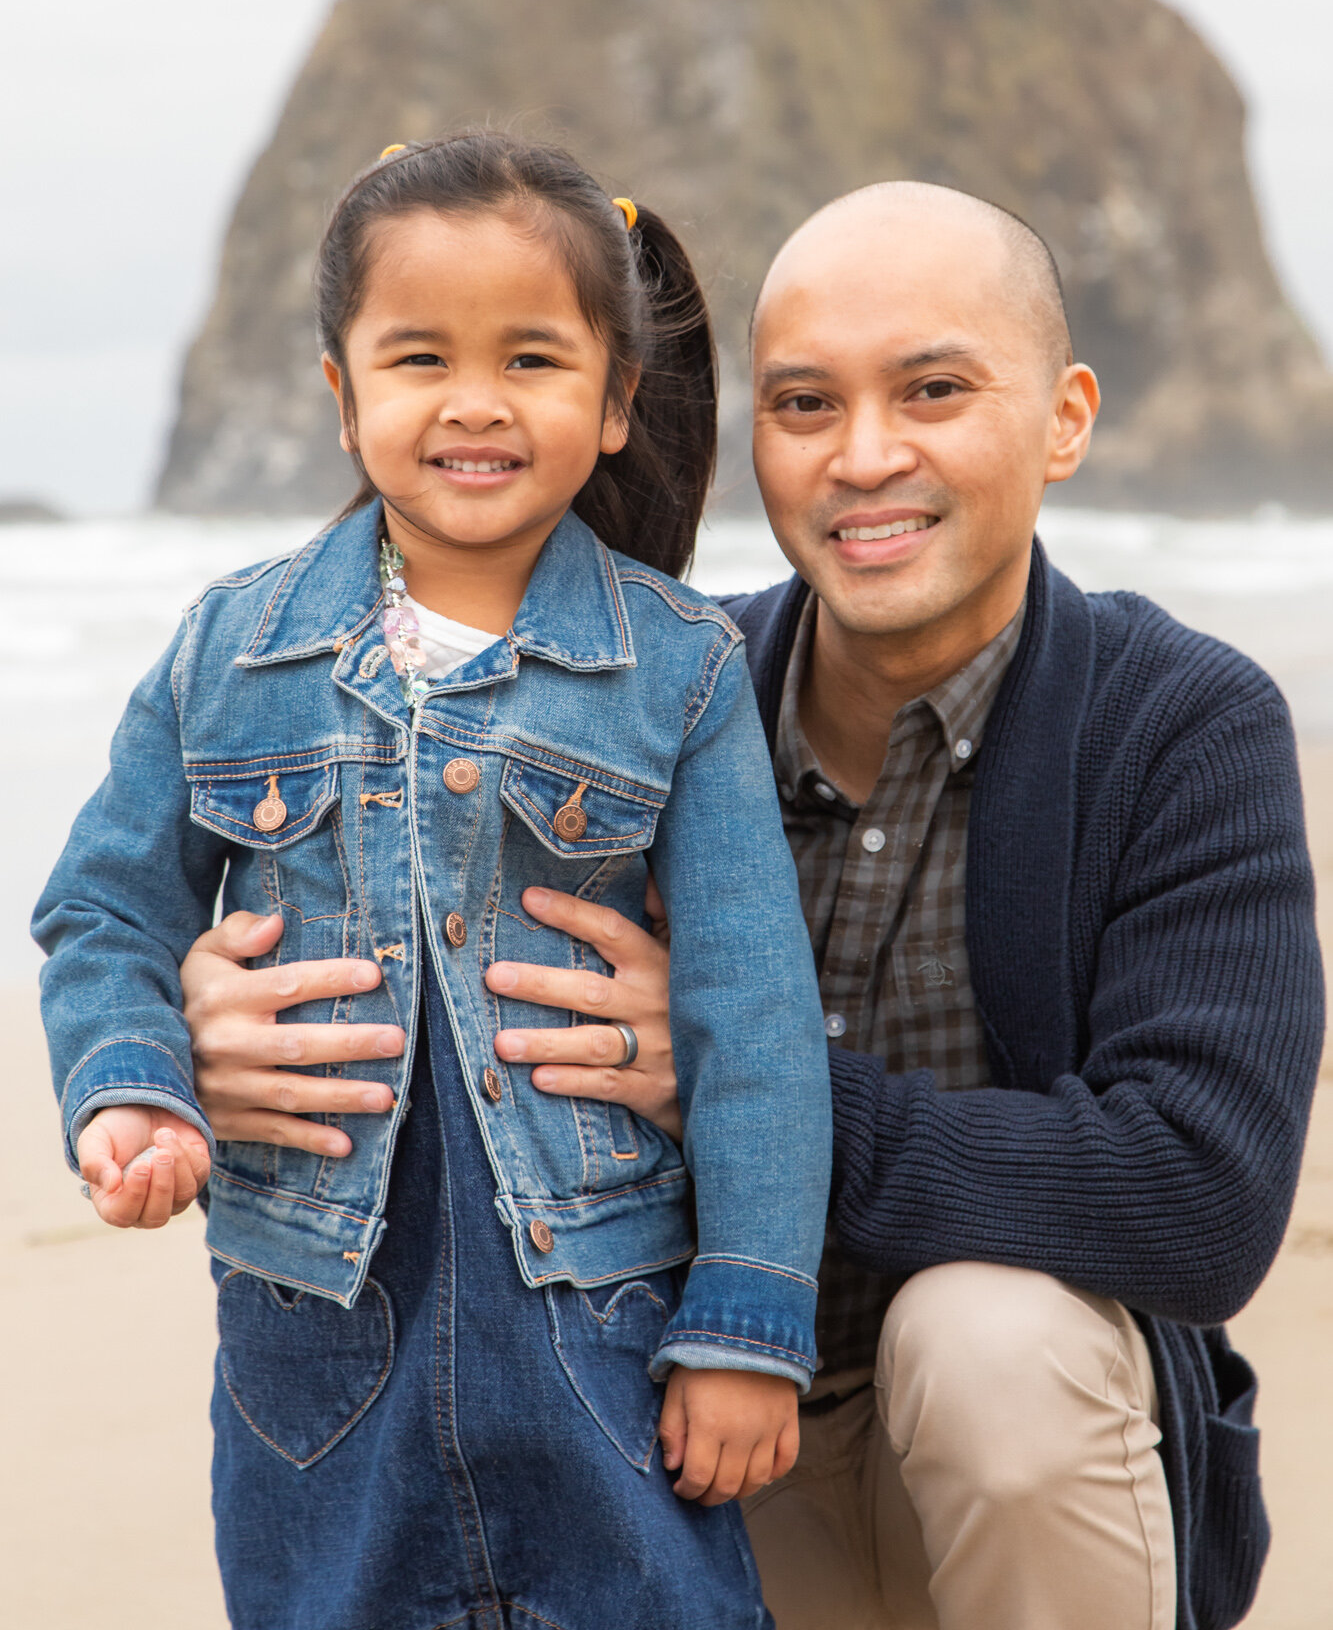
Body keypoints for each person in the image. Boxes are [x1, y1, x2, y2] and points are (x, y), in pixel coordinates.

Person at [159, 181, 1321, 1630]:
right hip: (683, 1453)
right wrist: (214, 1027)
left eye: (934, 390)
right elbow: (402, 935)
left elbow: (1197, 1202)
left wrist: (735, 1080)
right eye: (803, 404)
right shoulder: (644, 703)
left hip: (1003, 1475)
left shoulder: (1178, 724)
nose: (865, 456)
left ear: (1064, 417)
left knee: (985, 1336)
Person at [36, 134, 835, 1630]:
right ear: (344, 399)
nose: (472, 401)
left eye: (530, 357)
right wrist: (135, 1083)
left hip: (600, 1314)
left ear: (610, 406)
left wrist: (746, 1319)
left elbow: (751, 1015)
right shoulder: (231, 651)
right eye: (418, 358)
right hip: (313, 1324)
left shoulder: (676, 671)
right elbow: (106, 906)